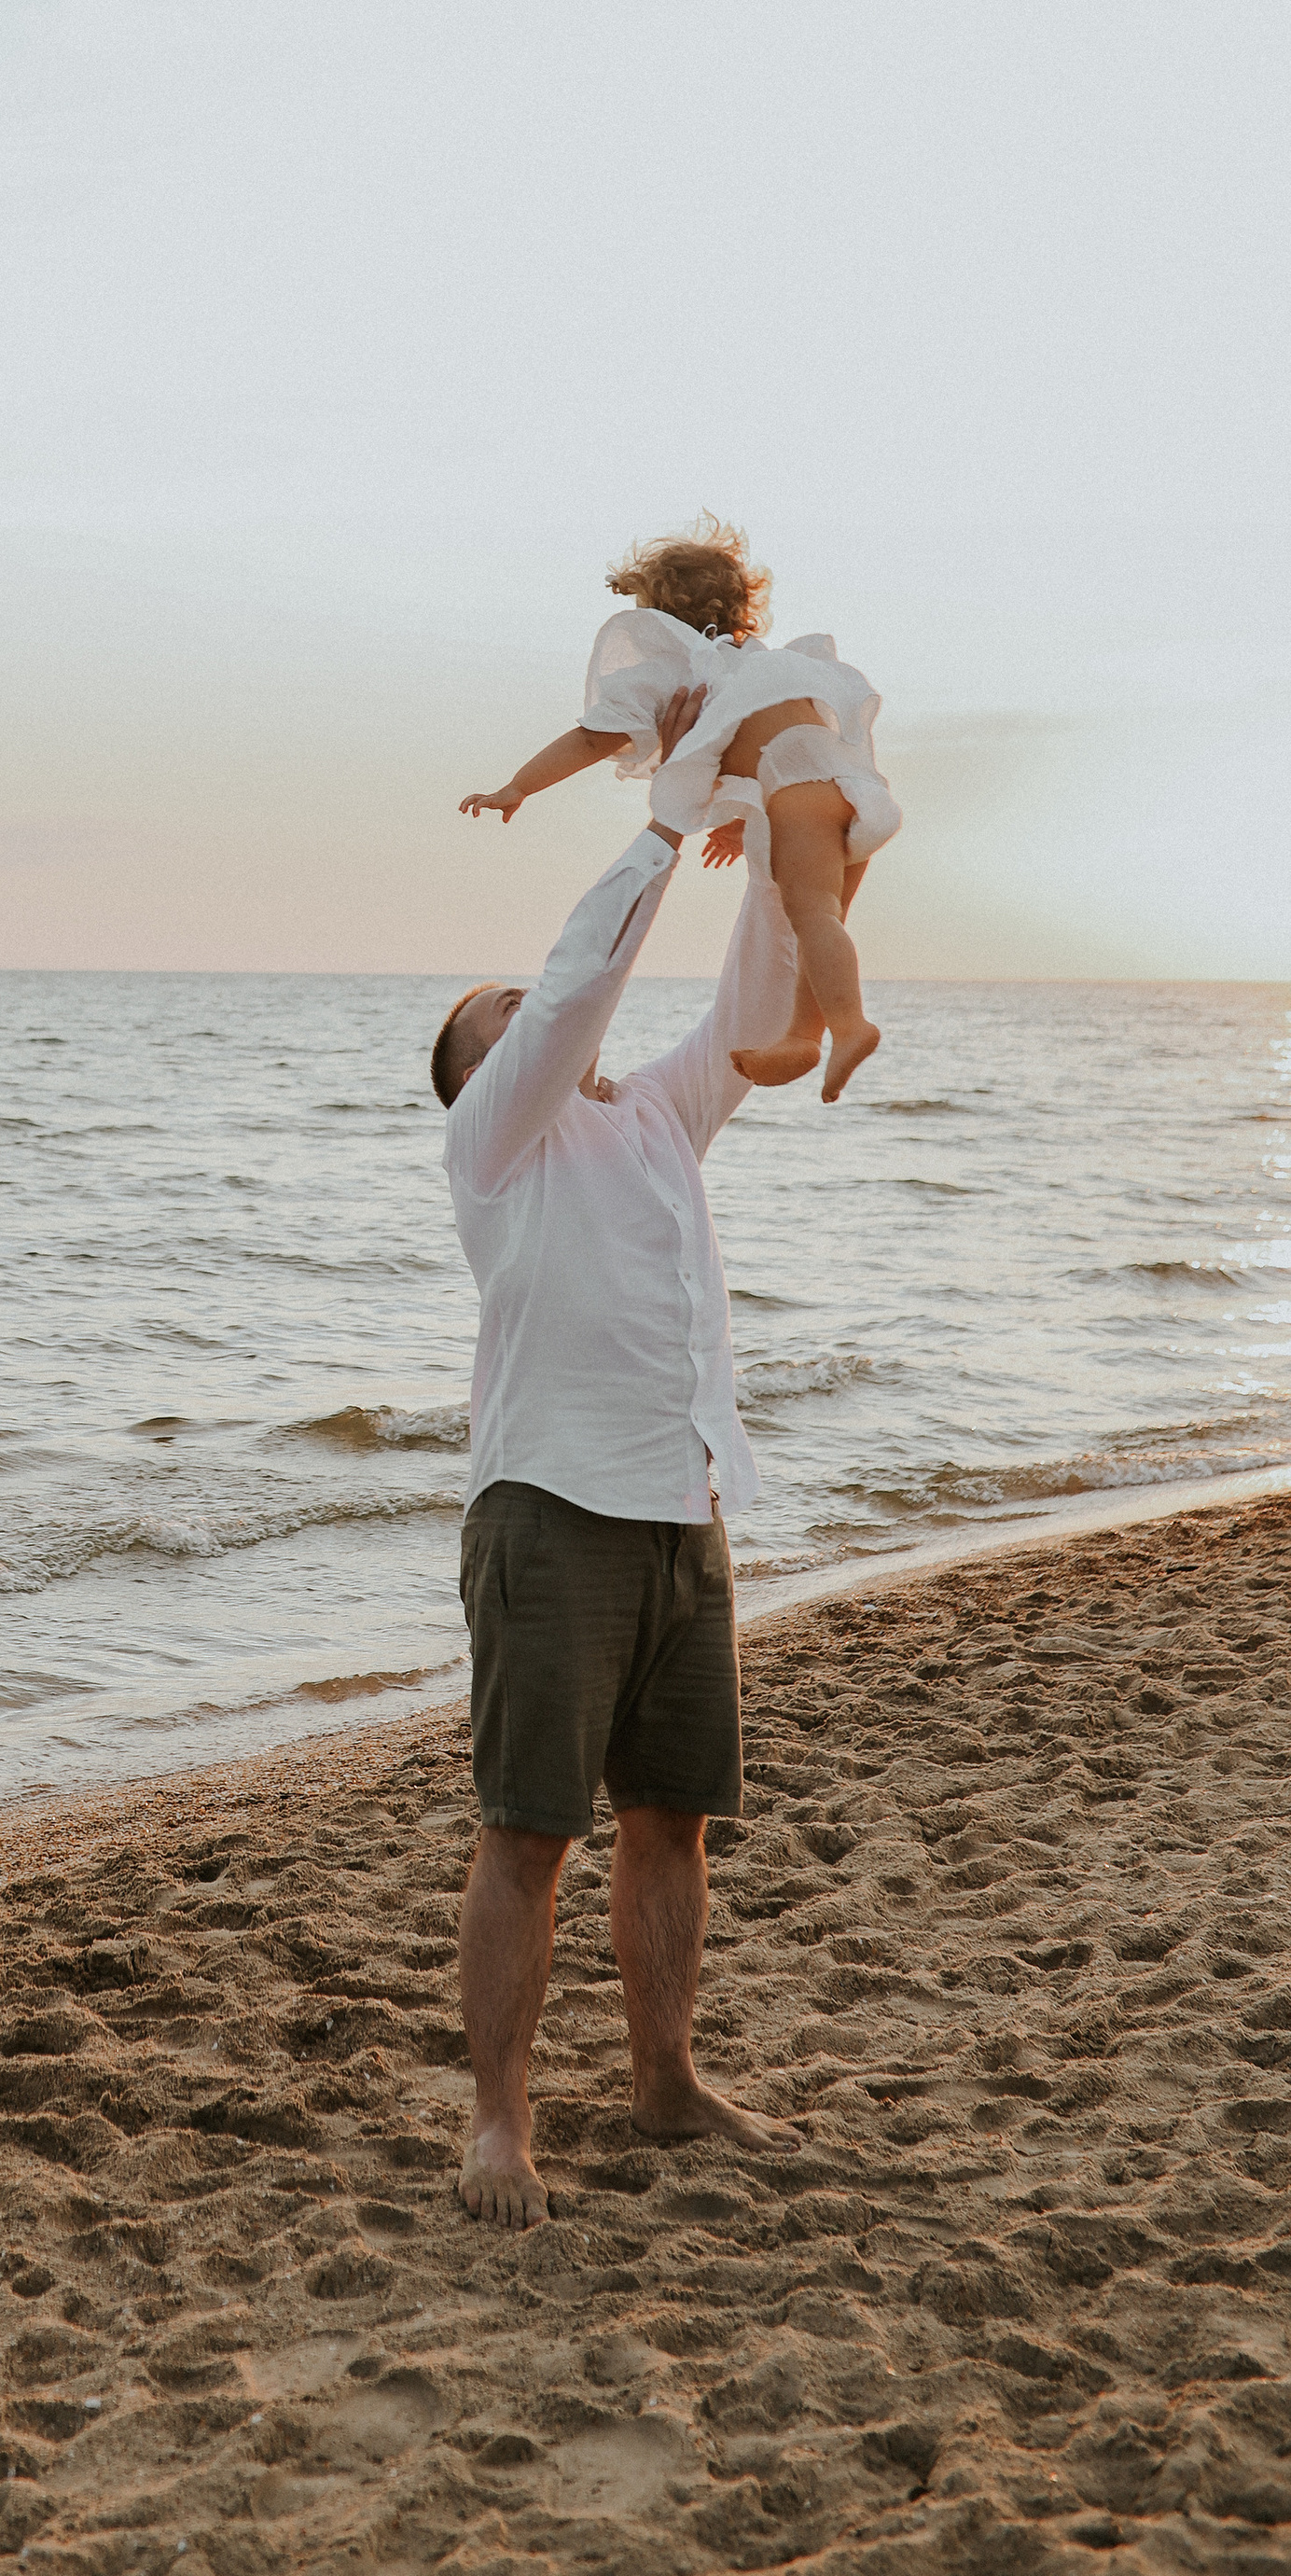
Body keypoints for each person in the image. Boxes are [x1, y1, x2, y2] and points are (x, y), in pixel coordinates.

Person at [432, 681, 805, 2228]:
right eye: (501, 1016)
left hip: (679, 1508)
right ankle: (499, 2126)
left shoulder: (651, 1121)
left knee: (672, 1821)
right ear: (481, 1071)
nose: (529, 1011)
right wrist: (661, 826)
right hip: (548, 1512)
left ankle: (664, 2083)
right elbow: (578, 984)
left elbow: (752, 1018)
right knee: (530, 1831)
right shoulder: (497, 1143)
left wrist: (773, 842)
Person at [460, 514, 899, 1101]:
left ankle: (849, 1026)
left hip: (803, 799)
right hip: (852, 793)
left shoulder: (679, 665)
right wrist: (743, 824)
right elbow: (773, 748)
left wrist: (519, 786)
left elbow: (592, 737)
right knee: (819, 924)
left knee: (815, 919)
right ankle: (803, 1033)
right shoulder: (760, 664)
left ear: (657, 614)